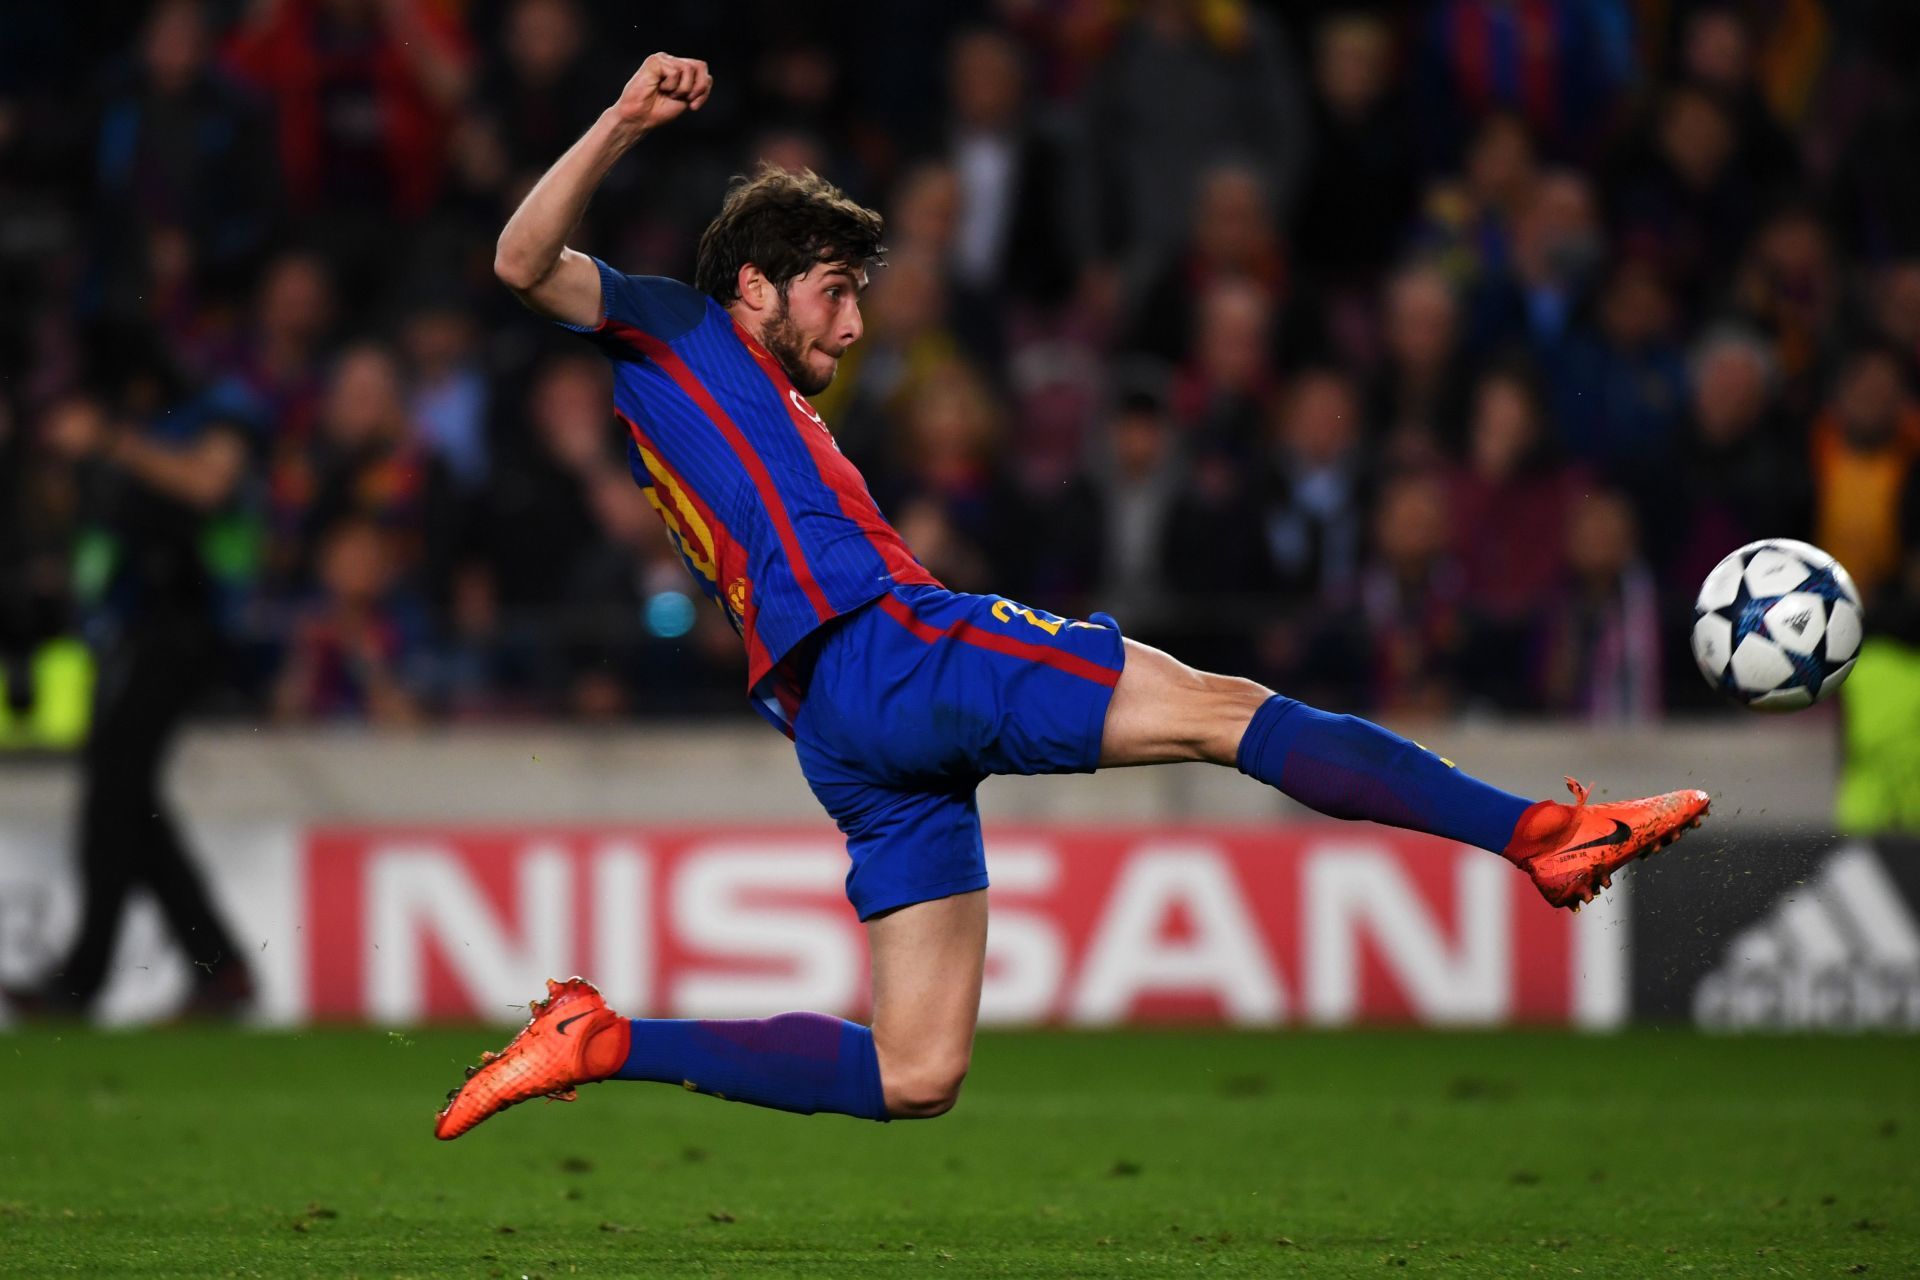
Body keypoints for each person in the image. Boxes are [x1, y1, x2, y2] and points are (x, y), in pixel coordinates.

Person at [435, 55, 1711, 1140]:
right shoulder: (673, 331)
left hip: (836, 724)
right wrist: (619, 121)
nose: (857, 325)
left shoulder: (749, 404)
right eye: (835, 289)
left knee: (915, 1070)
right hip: (892, 650)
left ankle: (602, 1038)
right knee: (1224, 708)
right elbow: (519, 257)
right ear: (753, 287)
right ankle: (1538, 836)